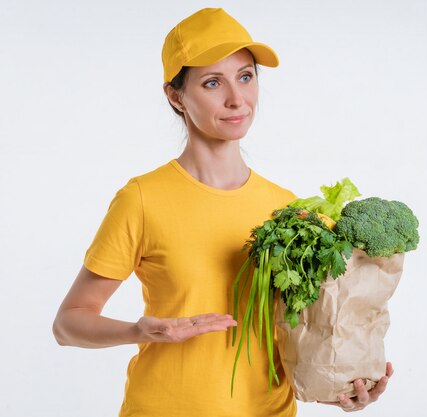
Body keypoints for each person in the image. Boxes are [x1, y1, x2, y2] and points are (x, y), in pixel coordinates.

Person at [52, 8, 392, 416]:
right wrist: (138, 331)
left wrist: (338, 389)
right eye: (213, 82)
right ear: (175, 96)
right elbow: (69, 323)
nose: (237, 99)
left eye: (245, 77)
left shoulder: (288, 211)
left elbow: (292, 336)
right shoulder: (142, 199)